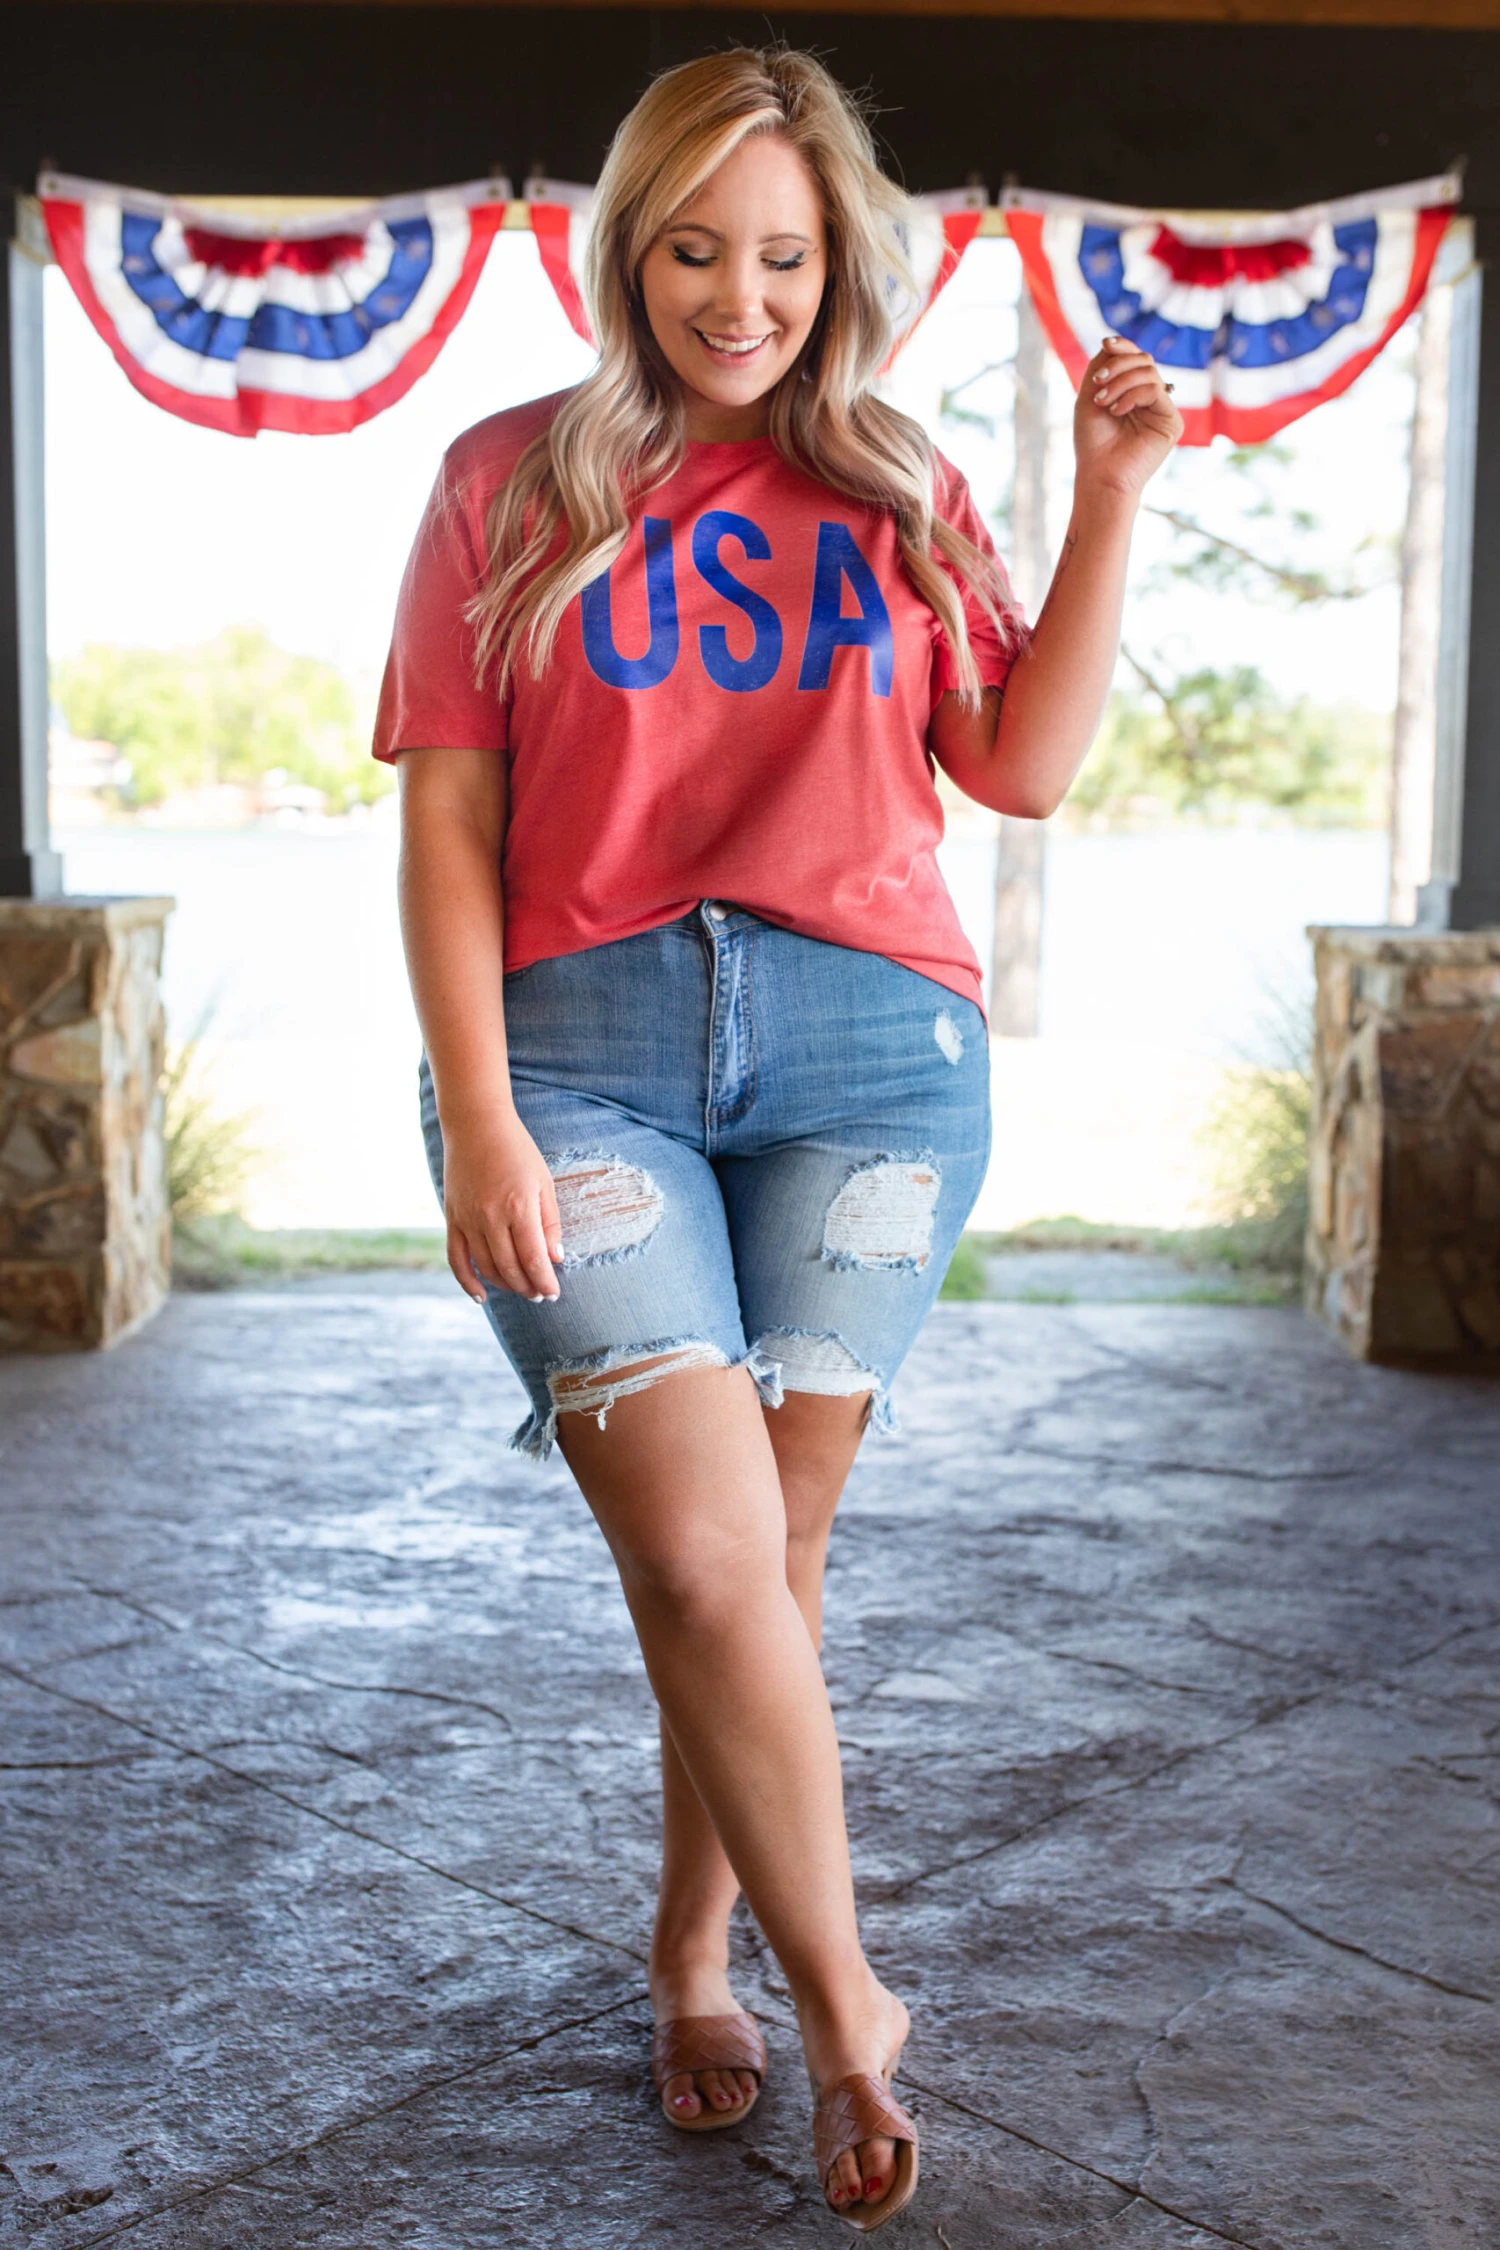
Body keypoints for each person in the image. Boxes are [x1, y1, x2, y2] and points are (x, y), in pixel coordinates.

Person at [376, 43, 1179, 2233]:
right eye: (694, 251)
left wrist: (1112, 493)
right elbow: (448, 829)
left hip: (871, 1057)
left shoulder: (905, 481)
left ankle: (688, 1957)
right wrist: (478, 1116)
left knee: (768, 1565)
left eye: (786, 258)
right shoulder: (504, 480)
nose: (740, 297)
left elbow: (1019, 771)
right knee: (704, 1555)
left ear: (844, 270)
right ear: (626, 253)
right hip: (581, 1051)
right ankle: (848, 2010)